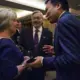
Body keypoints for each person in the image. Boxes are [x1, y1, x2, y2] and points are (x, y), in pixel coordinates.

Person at [27, 0, 80, 80]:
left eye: (47, 10)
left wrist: (43, 61)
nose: (46, 15)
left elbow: (72, 59)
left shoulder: (64, 21)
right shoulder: (70, 18)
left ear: (58, 6)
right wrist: (56, 50)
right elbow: (76, 49)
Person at [20, 11, 53, 80]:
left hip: (40, 67)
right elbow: (21, 47)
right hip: (26, 66)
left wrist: (44, 62)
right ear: (31, 20)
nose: (36, 20)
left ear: (42, 19)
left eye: (38, 18)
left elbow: (49, 51)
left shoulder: (48, 33)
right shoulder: (24, 31)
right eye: (34, 18)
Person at [0, 8, 29, 80]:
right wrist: (24, 64)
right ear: (5, 22)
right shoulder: (6, 44)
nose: (17, 23)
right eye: (14, 20)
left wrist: (21, 58)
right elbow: (8, 74)